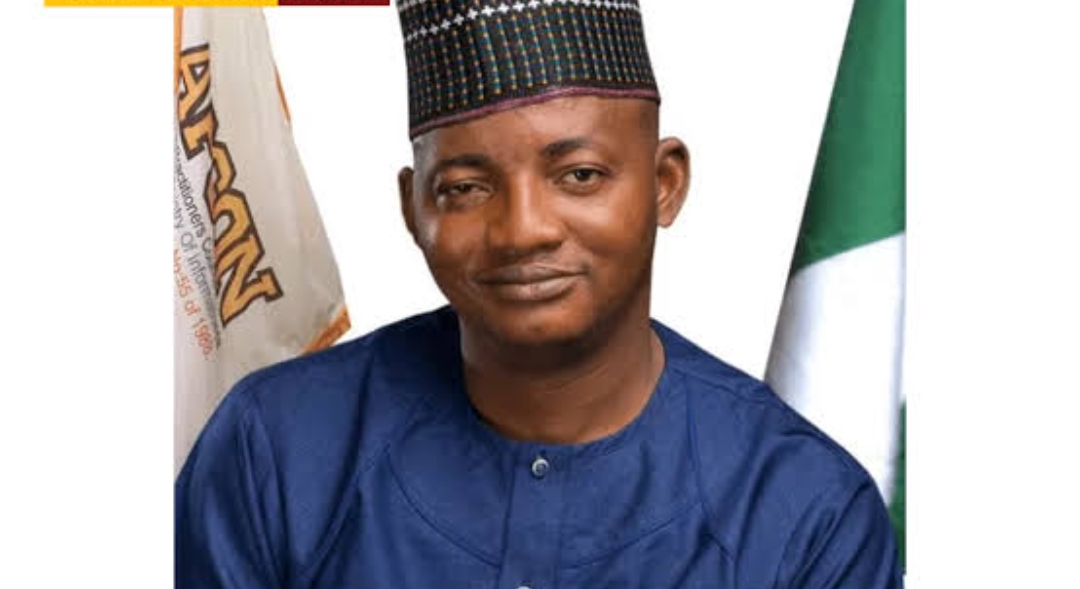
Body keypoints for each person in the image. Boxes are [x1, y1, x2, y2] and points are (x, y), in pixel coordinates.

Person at [175, 1, 904, 587]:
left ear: (664, 184)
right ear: (413, 209)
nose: (523, 230)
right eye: (466, 187)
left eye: (579, 175)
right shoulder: (275, 453)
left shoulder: (806, 513)